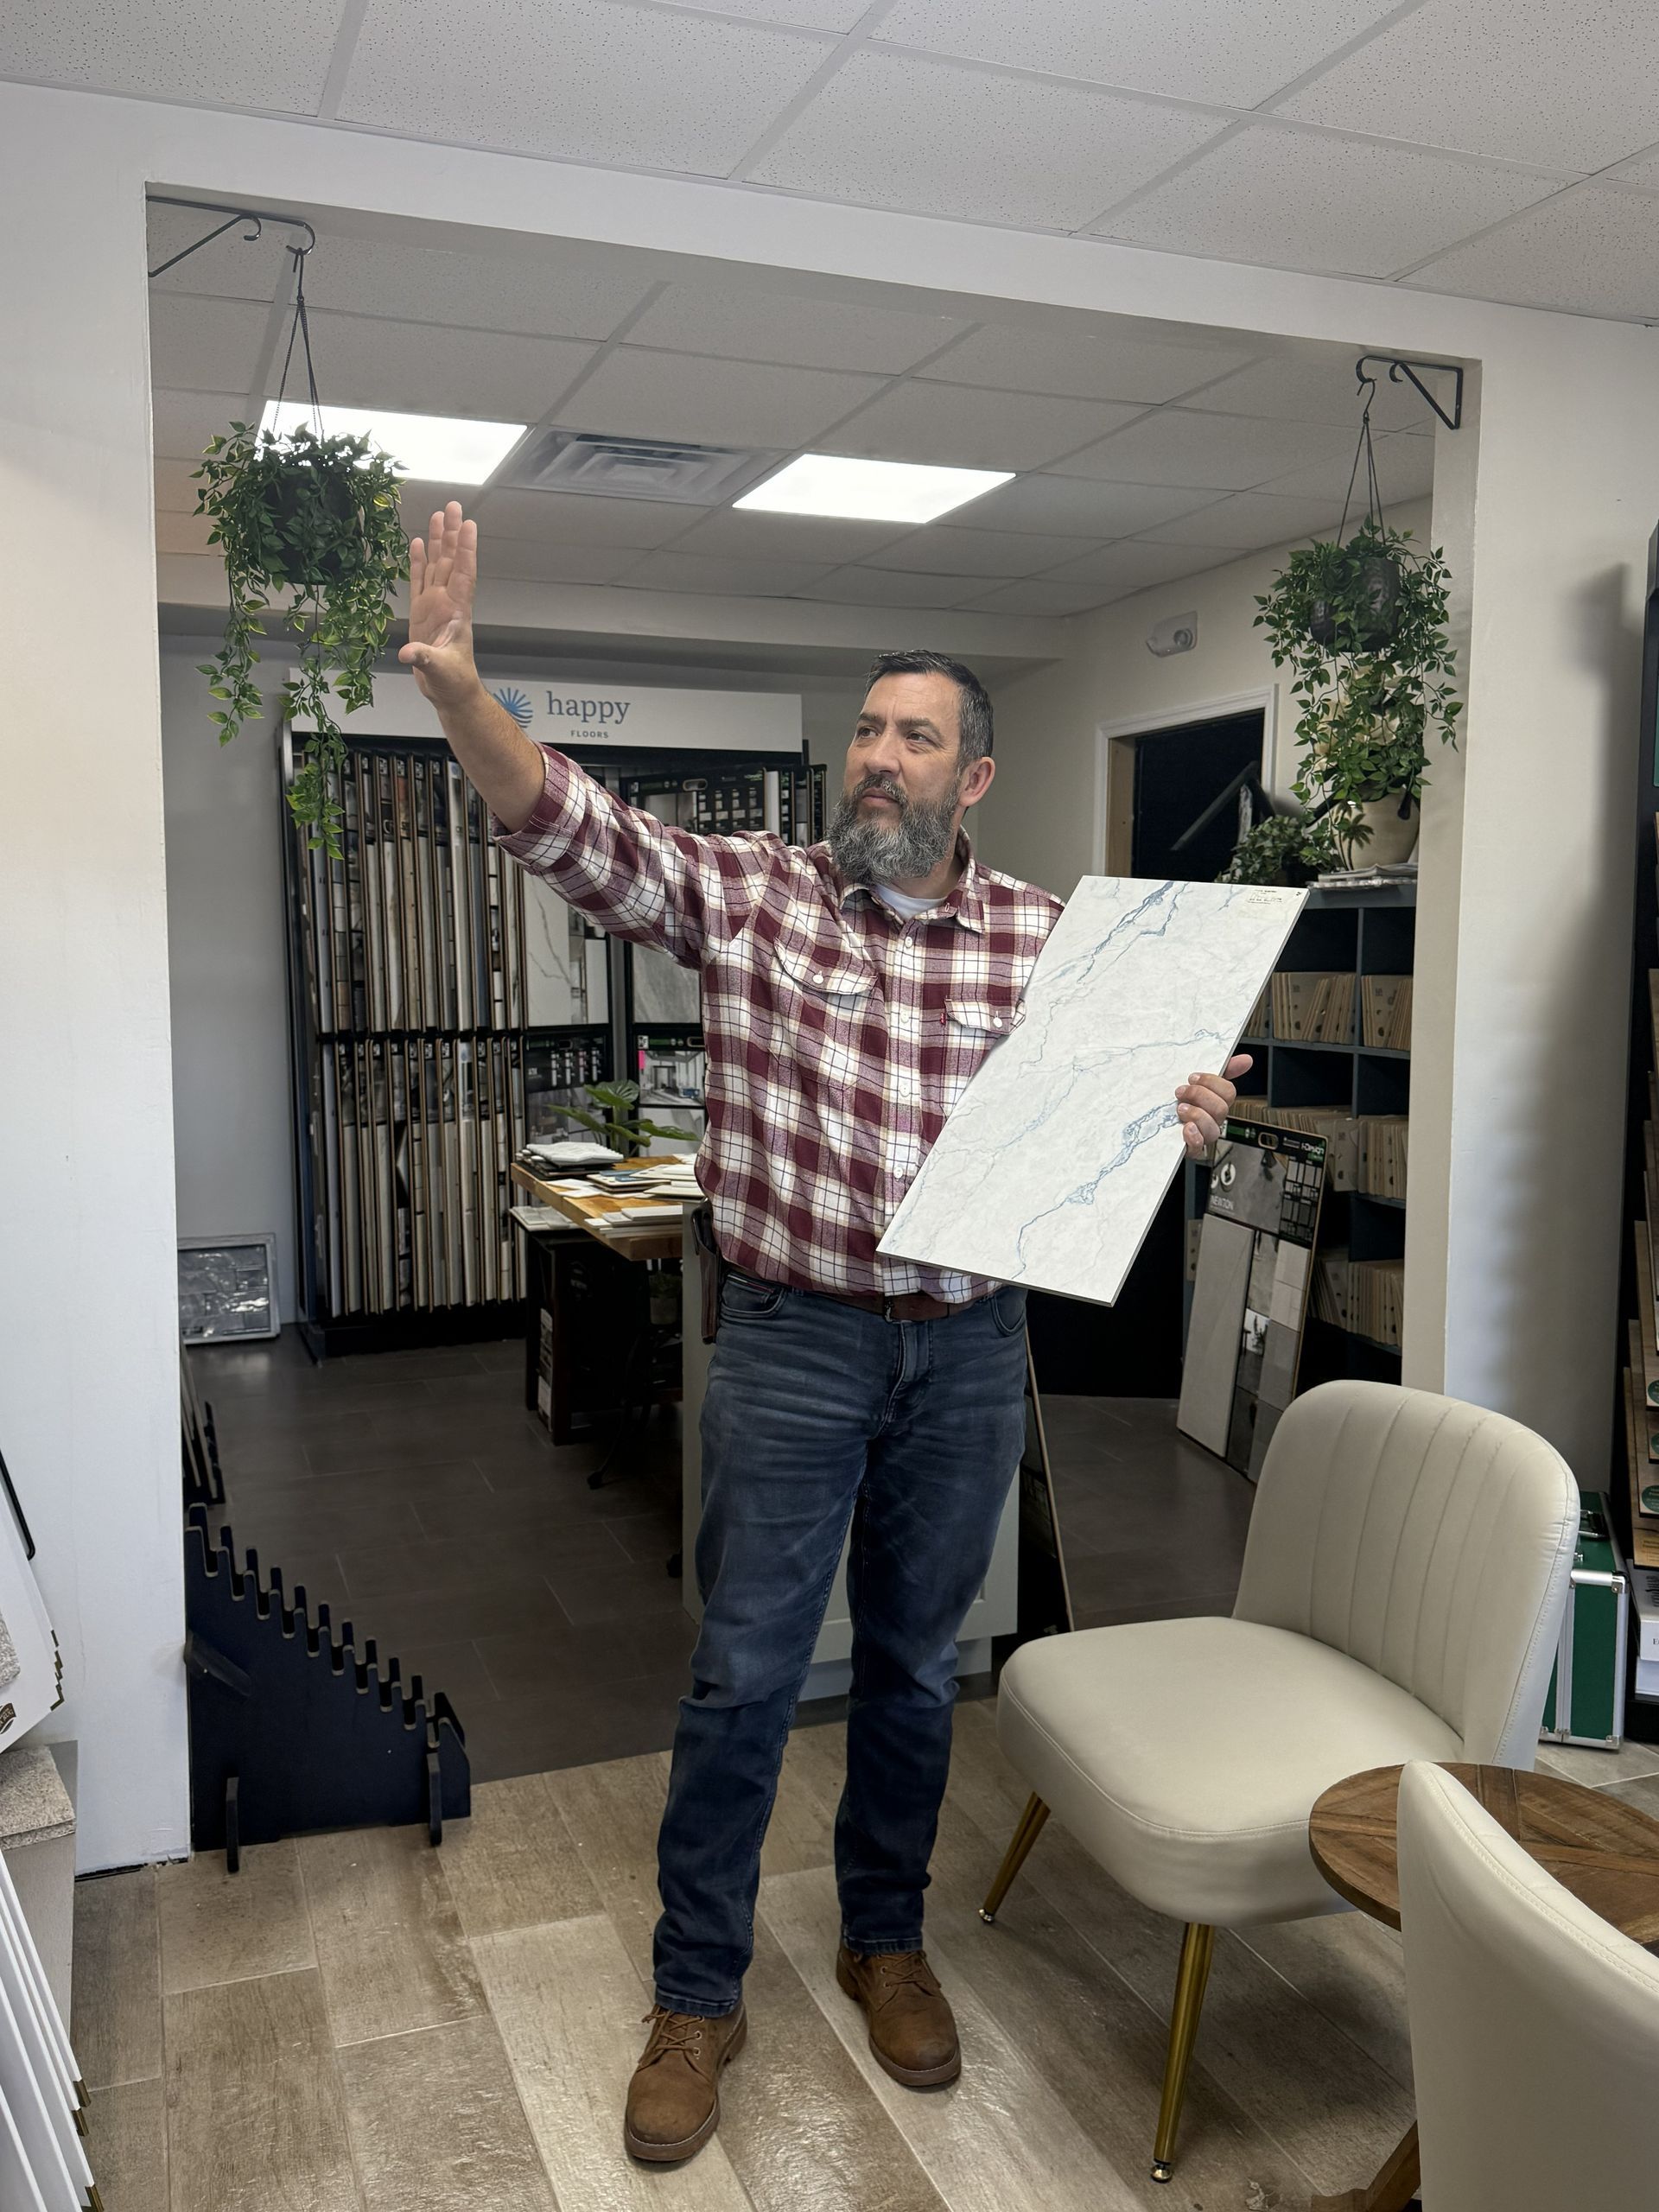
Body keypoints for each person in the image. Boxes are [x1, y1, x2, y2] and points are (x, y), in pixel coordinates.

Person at [400, 501, 1248, 2164]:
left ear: (972, 781)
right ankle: (696, 1994)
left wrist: (1188, 1111)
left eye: (913, 737)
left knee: (922, 1672)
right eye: (865, 728)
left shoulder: (1042, 943)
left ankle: (884, 1939)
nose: (876, 756)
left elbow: (1126, 1107)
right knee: (741, 1677)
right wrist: (456, 691)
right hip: (792, 1340)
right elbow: (575, 829)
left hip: (966, 1353)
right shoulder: (759, 899)